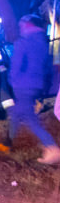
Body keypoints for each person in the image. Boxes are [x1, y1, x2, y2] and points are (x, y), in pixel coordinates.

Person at [8, 14, 60, 164]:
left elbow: (16, 65)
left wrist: (13, 80)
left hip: (22, 85)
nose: (20, 28)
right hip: (36, 85)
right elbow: (47, 68)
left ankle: (52, 147)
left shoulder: (23, 43)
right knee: (17, 113)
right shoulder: (44, 43)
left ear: (28, 25)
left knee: (30, 119)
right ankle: (7, 143)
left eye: (22, 25)